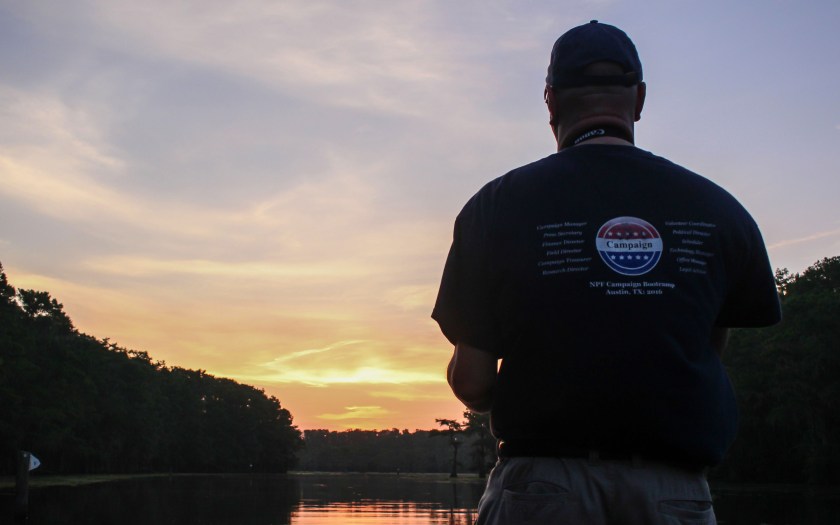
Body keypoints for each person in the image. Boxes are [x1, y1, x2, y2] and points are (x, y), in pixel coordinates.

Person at [431, 20, 781, 524]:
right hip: (675, 495)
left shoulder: (495, 206)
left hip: (543, 492)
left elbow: (473, 380)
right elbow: (704, 349)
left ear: (551, 102)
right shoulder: (719, 210)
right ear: (638, 99)